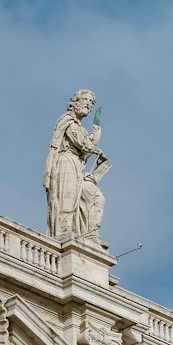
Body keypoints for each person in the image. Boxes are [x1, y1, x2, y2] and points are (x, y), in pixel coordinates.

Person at [44, 88, 109, 244]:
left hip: (77, 165)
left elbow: (84, 151)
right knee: (67, 197)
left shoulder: (79, 127)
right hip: (66, 162)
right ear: (75, 102)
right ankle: (63, 231)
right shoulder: (67, 120)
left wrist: (94, 141)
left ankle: (89, 233)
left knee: (94, 196)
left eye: (91, 103)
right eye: (85, 100)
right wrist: (95, 144)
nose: (88, 105)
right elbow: (82, 144)